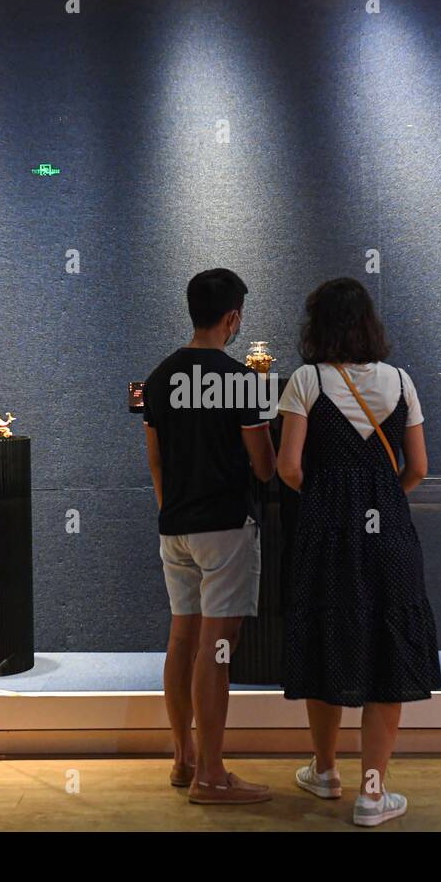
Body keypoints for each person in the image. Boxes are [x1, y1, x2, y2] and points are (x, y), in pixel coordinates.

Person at [275, 276, 441, 827]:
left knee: (328, 633)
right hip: (388, 530)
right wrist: (382, 498)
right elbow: (418, 467)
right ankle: (372, 793)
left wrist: (329, 499)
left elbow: (288, 468)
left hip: (325, 532)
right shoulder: (401, 381)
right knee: (387, 647)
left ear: (317, 325)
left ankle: (325, 771)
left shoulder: (306, 380)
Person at [143, 268, 277, 805]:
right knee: (217, 649)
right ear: (232, 317)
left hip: (175, 527)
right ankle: (212, 776)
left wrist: (173, 510)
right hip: (223, 527)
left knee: (183, 638)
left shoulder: (158, 378)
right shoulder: (242, 380)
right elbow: (264, 466)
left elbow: (155, 461)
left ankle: (184, 759)